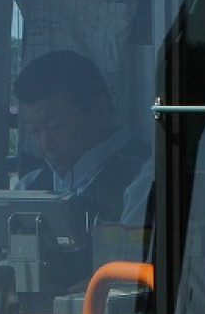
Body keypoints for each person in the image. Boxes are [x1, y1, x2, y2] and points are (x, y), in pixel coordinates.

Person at [13, 50, 148, 229]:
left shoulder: (146, 177)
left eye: (55, 126)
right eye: (35, 131)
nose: (46, 145)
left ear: (99, 110)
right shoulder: (28, 187)